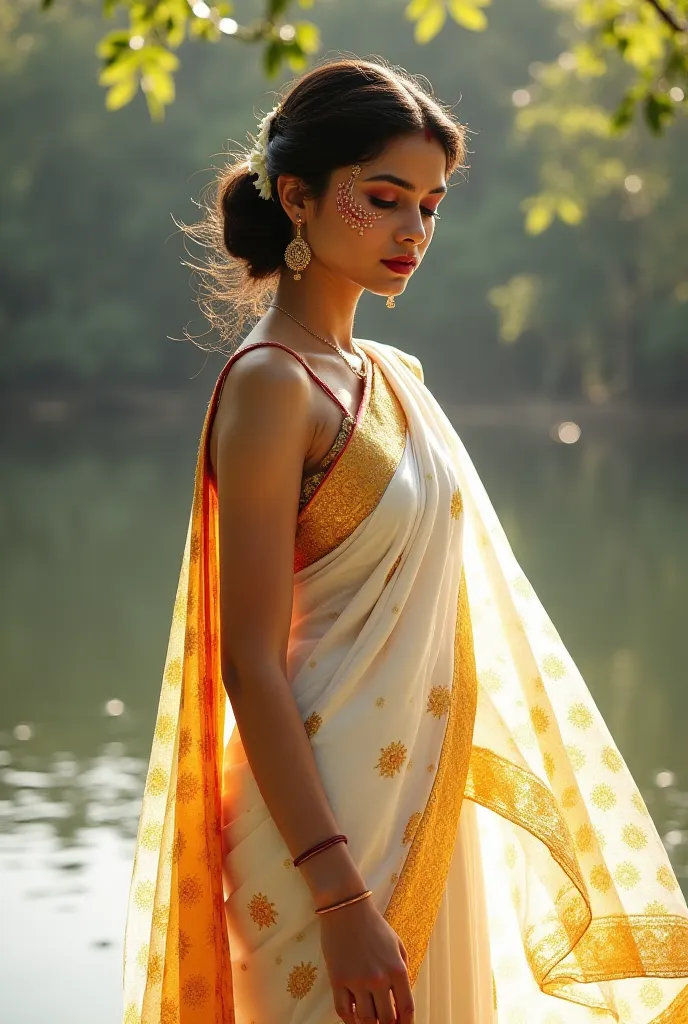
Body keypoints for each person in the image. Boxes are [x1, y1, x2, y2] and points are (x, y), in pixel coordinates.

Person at [122, 57, 688, 1024]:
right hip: (318, 839)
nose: (413, 231)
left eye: (429, 206)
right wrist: (339, 897)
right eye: (384, 199)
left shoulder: (388, 376)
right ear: (295, 196)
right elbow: (251, 666)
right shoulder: (271, 385)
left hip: (423, 801)